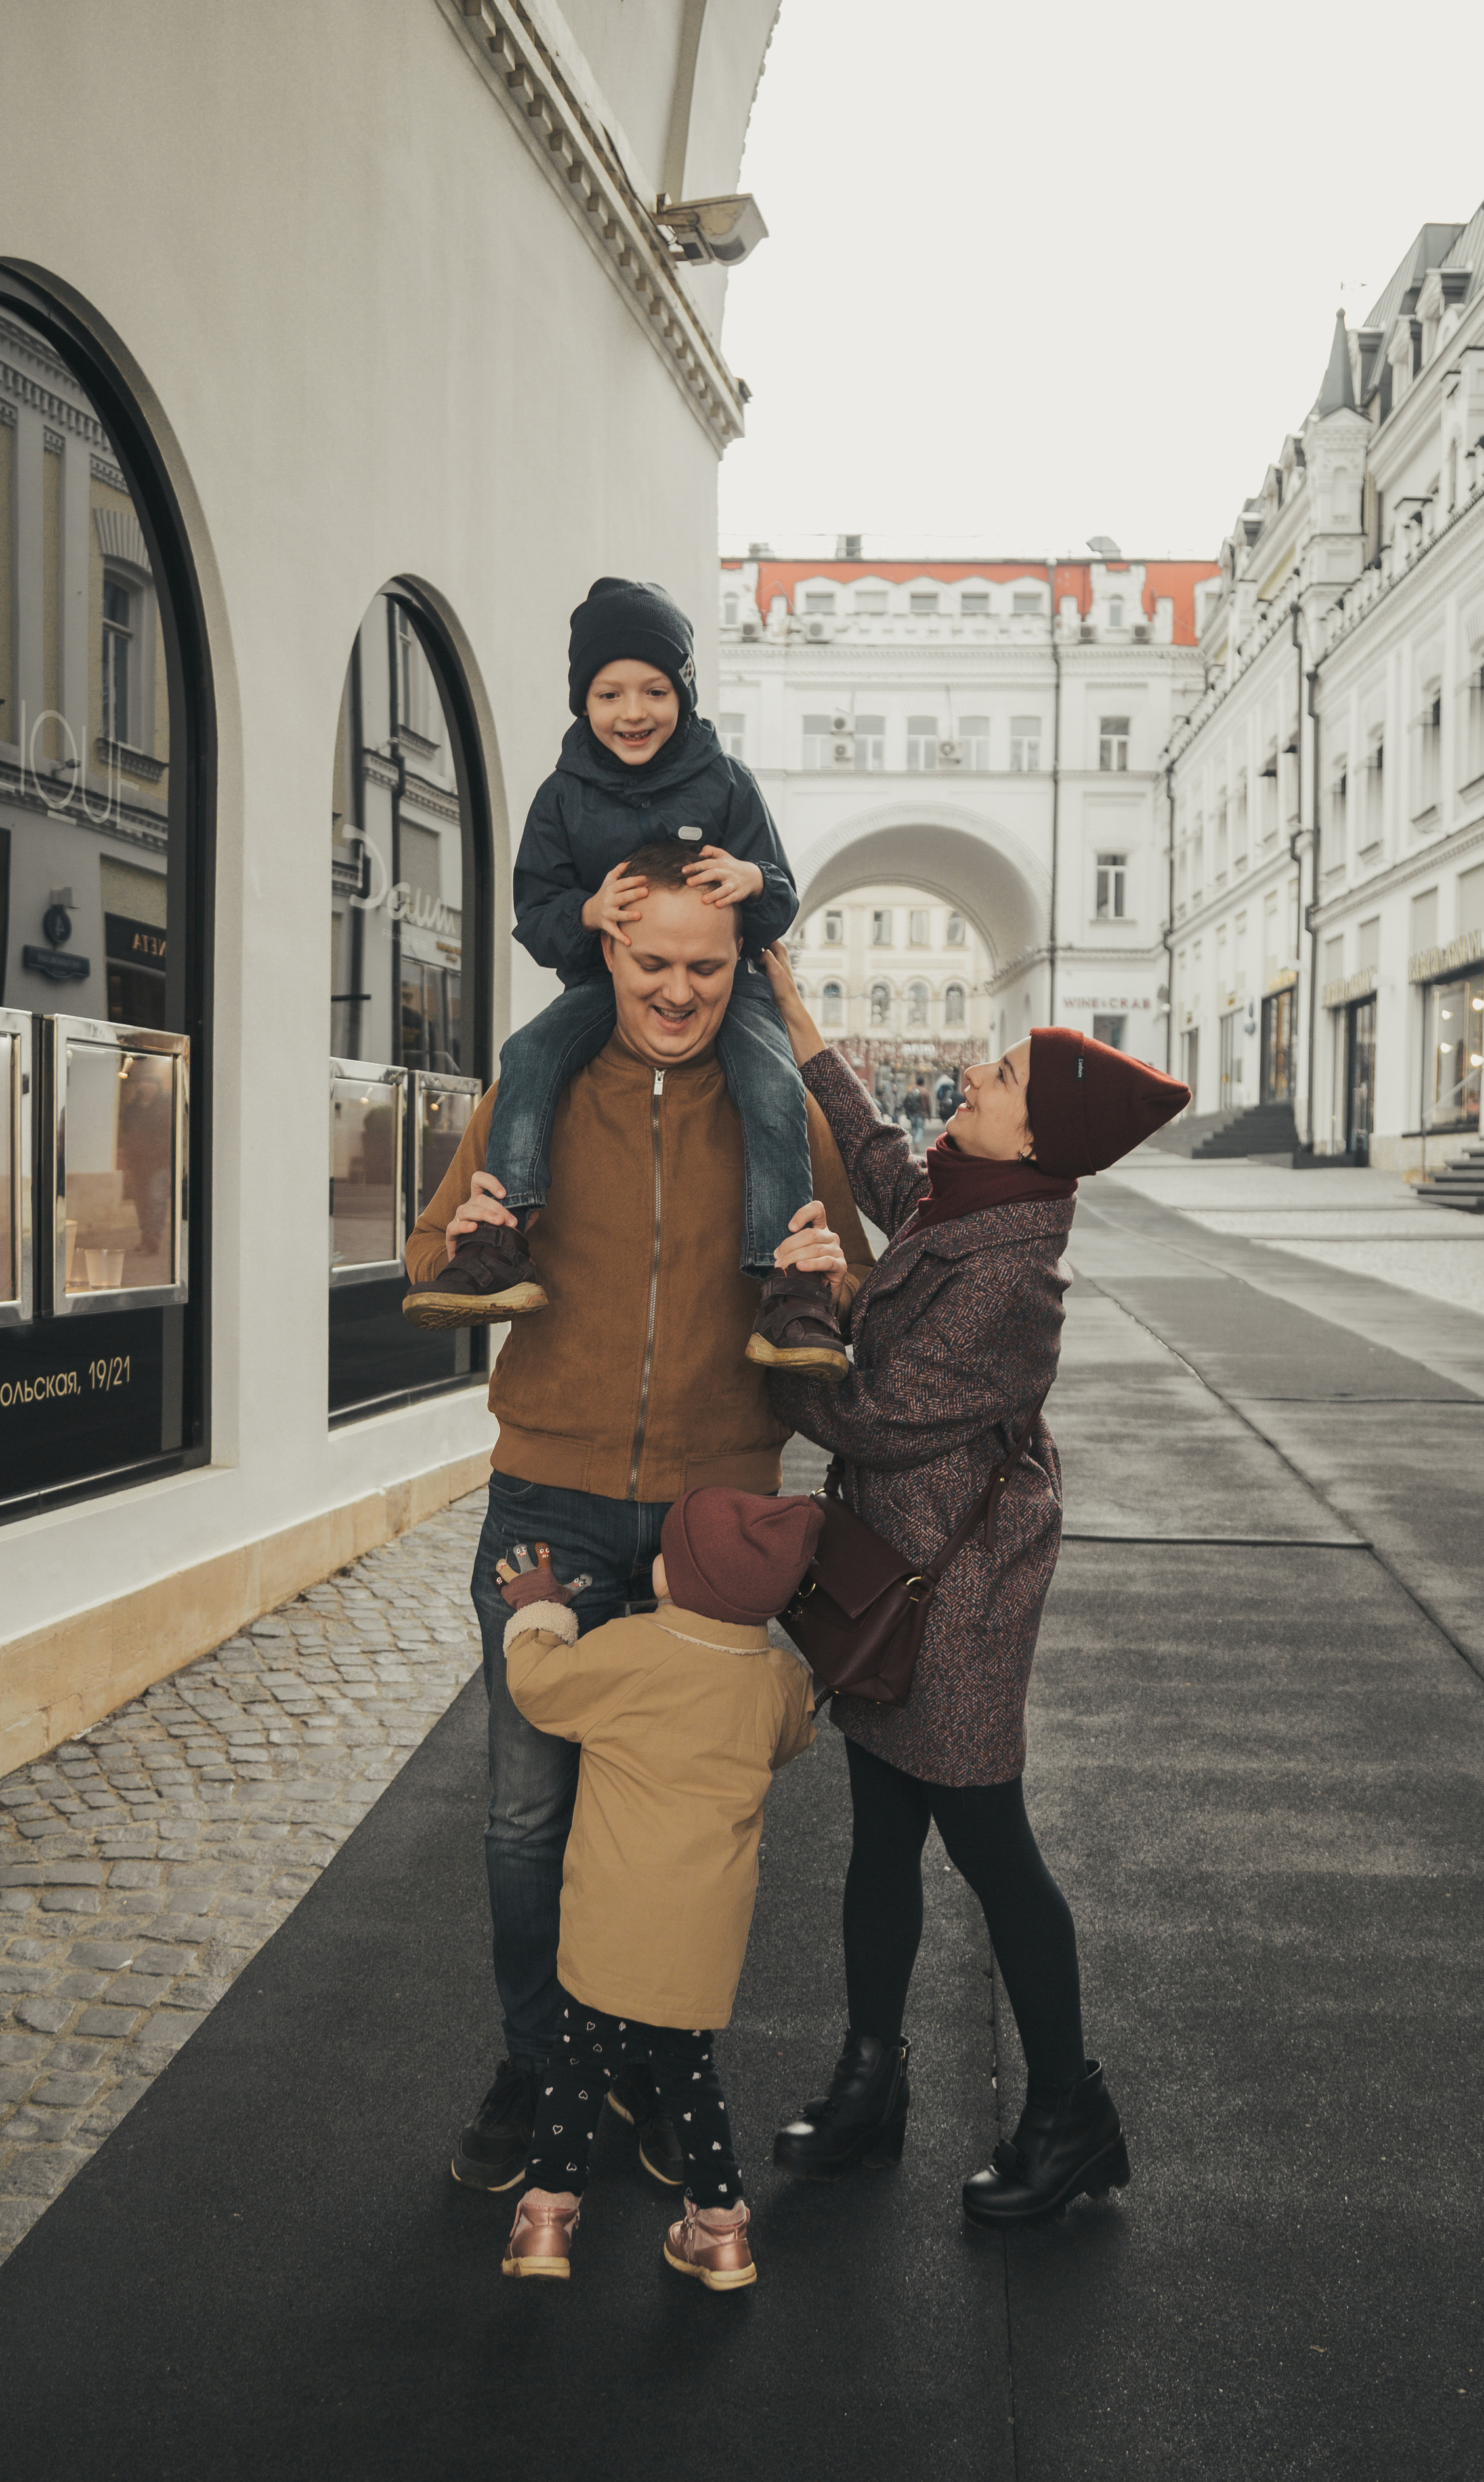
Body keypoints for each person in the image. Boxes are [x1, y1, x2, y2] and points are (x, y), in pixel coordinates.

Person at [402, 855, 873, 2194]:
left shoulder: (777, 1108)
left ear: (740, 970)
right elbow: (428, 1259)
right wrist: (470, 1233)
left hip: (712, 1512)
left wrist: (832, 1290)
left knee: (685, 1822)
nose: (677, 991)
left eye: (705, 968)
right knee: (522, 1818)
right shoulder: (534, 1094)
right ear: (606, 955)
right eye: (652, 962)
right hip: (544, 1499)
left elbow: (852, 1309)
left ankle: (656, 2062)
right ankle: (540, 2059)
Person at [757, 944, 1189, 2227]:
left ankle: (1068, 2116)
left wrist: (785, 1315)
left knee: (993, 1850)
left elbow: (876, 1419)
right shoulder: (961, 1198)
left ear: (1036, 1129)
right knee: (879, 1840)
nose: (966, 1075)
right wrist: (795, 1022)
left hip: (955, 1597)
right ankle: (869, 2082)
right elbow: (878, 1163)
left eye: (994, 1075)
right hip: (896, 1573)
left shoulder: (1011, 1272)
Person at [403, 578, 836, 1375]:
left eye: (654, 690)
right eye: (609, 693)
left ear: (685, 692)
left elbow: (779, 900)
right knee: (527, 1057)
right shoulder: (562, 797)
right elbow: (533, 913)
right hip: (598, 984)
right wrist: (588, 914)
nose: (632, 712)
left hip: (728, 985)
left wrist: (753, 881)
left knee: (774, 1088)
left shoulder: (728, 781)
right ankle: (501, 1240)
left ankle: (790, 1286)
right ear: (583, 700)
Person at [492, 1488, 821, 2289]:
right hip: (703, 1932)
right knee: (688, 2075)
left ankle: (545, 2223)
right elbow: (789, 1738)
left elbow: (538, 1688)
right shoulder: (777, 1680)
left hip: (610, 1915)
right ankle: (721, 2233)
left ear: (682, 1578)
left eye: (668, 1553)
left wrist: (541, 1612)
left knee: (578, 2064)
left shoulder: (631, 1648)